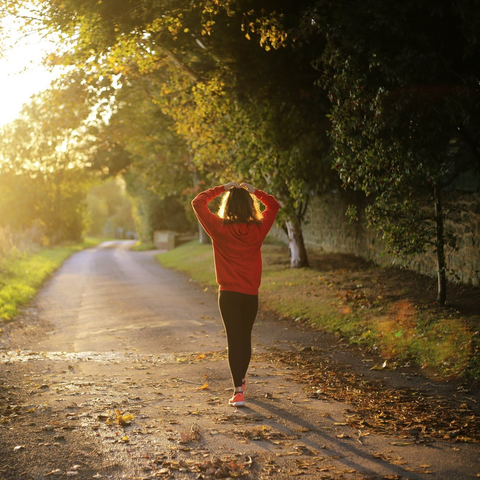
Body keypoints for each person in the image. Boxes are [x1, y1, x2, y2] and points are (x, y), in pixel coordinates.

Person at [191, 181, 280, 407]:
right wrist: (255, 191)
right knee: (245, 338)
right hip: (250, 294)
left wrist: (221, 188)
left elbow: (198, 202)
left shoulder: (218, 228)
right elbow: (274, 205)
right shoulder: (258, 229)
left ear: (227, 206)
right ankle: (240, 382)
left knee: (234, 339)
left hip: (228, 294)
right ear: (250, 207)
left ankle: (238, 391)